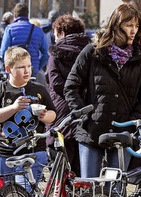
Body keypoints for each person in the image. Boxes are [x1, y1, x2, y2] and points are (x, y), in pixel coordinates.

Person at [64, 3, 141, 179]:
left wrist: (132, 121)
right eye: (128, 25)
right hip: (92, 130)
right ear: (116, 25)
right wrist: (84, 115)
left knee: (115, 191)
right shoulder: (93, 51)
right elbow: (71, 86)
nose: (133, 30)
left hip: (122, 133)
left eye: (136, 26)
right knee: (91, 189)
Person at [0, 46, 56, 192]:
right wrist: (14, 108)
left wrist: (44, 116)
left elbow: (53, 114)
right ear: (8, 69)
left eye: (29, 66)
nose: (27, 71)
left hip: (32, 152)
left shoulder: (39, 89)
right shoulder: (0, 90)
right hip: (4, 153)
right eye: (21, 67)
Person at [46, 15, 91, 177]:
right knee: (82, 170)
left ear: (62, 32)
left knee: (60, 170)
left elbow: (56, 84)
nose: (55, 38)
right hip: (85, 112)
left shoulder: (56, 53)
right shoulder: (91, 51)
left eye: (56, 33)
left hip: (61, 114)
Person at [1, 3, 50, 84]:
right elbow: (46, 53)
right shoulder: (38, 30)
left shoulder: (10, 29)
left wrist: (10, 67)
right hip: (32, 72)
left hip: (15, 72)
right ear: (27, 14)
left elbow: (3, 52)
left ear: (15, 15)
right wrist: (37, 67)